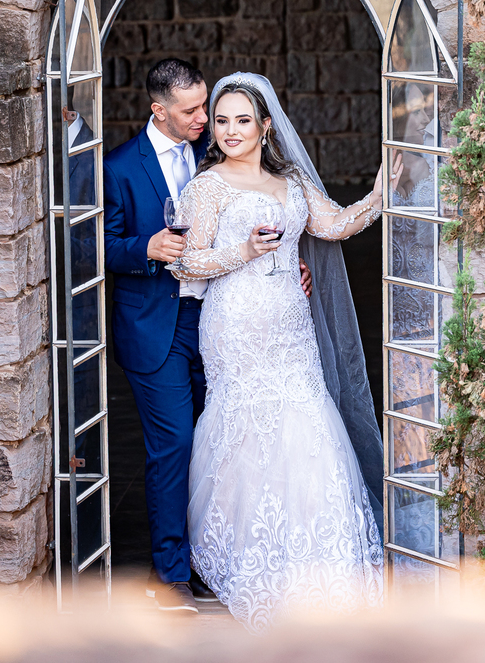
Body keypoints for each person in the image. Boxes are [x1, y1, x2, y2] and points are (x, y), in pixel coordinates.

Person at [172, 72, 400, 632]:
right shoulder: (207, 187)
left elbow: (334, 226)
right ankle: (244, 558)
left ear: (265, 126)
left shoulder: (292, 180)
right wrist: (243, 249)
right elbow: (187, 263)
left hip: (290, 329)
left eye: (241, 120)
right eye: (221, 121)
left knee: (306, 421)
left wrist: (377, 197)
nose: (229, 130)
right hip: (235, 328)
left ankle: (318, 562)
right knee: (246, 428)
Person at [102, 59, 313, 614]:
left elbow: (259, 215)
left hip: (221, 322)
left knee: (222, 441)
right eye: (193, 111)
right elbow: (88, 246)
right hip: (156, 326)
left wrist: (288, 265)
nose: (207, 120)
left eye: (208, 109)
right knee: (173, 445)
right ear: (159, 111)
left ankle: (209, 555)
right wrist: (142, 250)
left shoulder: (218, 152)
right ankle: (169, 574)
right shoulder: (120, 167)